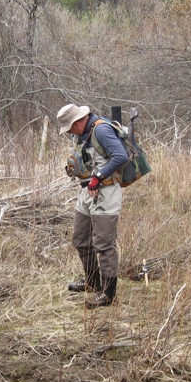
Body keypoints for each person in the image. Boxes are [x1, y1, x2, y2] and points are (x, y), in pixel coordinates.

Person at [56, 103, 129, 308]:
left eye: (70, 127)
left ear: (78, 121)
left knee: (104, 244)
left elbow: (120, 157)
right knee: (80, 239)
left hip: (106, 191)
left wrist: (98, 176)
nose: (69, 132)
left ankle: (107, 293)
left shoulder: (102, 130)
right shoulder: (83, 133)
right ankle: (92, 281)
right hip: (86, 191)